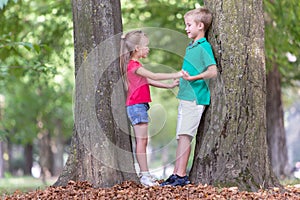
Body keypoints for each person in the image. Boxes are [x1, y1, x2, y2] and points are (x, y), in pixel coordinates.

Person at [161, 7, 218, 186]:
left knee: (185, 136)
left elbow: (212, 71)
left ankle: (181, 175)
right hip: (185, 96)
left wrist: (193, 78)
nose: (186, 28)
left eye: (189, 25)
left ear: (200, 26)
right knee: (181, 136)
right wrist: (183, 81)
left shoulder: (204, 47)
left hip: (195, 98)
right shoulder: (191, 47)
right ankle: (176, 174)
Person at [120, 30, 184, 187]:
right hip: (136, 106)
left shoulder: (136, 65)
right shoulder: (133, 66)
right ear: (137, 48)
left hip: (139, 106)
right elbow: (153, 76)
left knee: (144, 141)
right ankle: (144, 175)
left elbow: (148, 81)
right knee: (141, 142)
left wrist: (169, 85)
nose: (148, 49)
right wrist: (177, 73)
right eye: (146, 46)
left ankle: (145, 173)